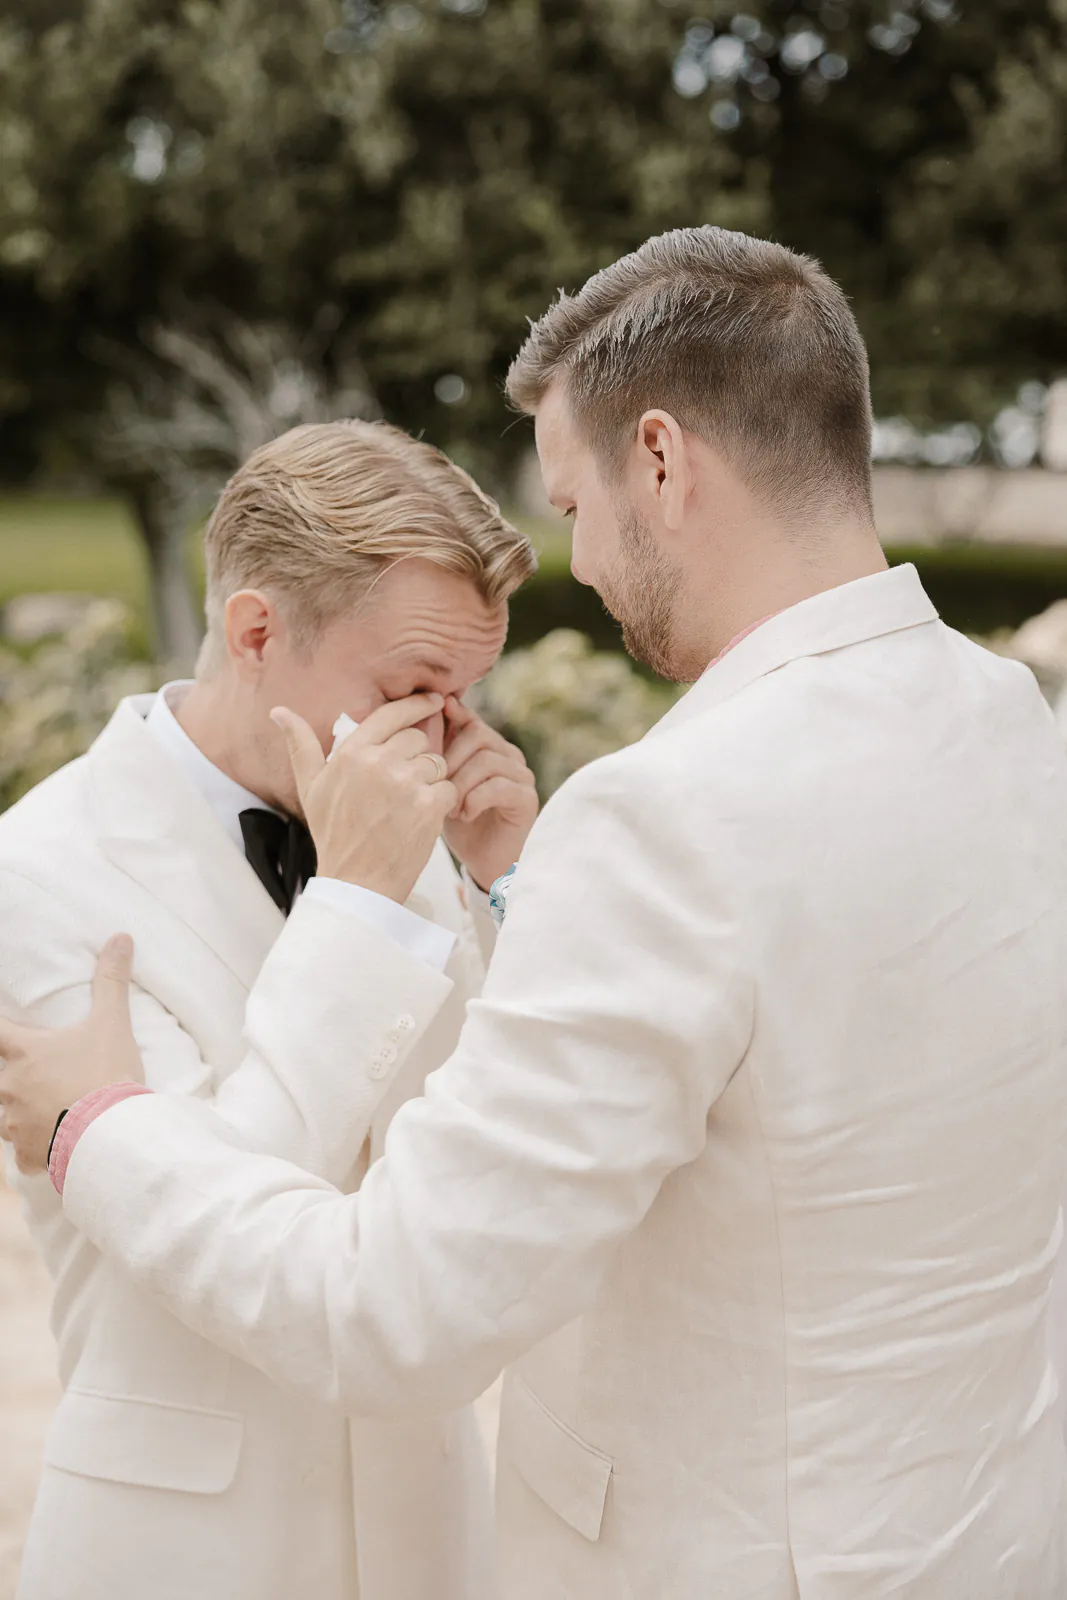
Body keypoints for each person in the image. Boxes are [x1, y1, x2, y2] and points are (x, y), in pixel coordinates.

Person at [4, 226, 1067, 1599]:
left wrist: (97, 1123)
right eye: (413, 688)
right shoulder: (1007, 719)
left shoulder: (662, 820)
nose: (589, 567)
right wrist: (489, 886)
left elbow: (401, 1287)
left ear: (660, 461)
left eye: (572, 504)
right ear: (257, 632)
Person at [0, 419, 539, 1600]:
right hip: (183, 1550)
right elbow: (214, 1223)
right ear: (255, 632)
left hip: (425, 1536)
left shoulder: (415, 834)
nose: (446, 736)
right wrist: (357, 902)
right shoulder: (37, 872)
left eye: (465, 695)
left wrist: (505, 888)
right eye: (410, 689)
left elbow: (500, 1148)